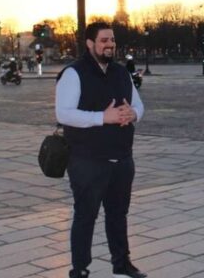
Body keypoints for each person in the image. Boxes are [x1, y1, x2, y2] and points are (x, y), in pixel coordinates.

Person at [55, 22, 146, 278]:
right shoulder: (73, 73)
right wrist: (102, 118)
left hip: (122, 157)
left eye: (112, 40)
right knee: (86, 215)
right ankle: (80, 268)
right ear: (90, 43)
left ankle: (122, 263)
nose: (110, 45)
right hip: (87, 160)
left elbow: (139, 106)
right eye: (104, 40)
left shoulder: (121, 72)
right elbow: (63, 113)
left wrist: (133, 113)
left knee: (119, 214)